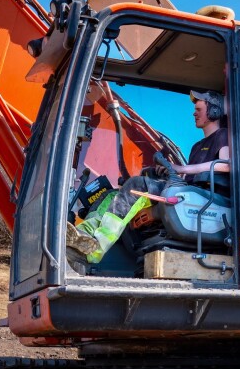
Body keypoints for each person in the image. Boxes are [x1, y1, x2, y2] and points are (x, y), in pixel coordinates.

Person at [68, 89, 230, 263]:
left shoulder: (223, 136)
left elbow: (226, 165)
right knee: (112, 195)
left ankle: (96, 248)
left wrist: (184, 168)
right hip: (188, 195)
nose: (193, 113)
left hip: (206, 199)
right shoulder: (197, 146)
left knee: (137, 186)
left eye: (198, 110)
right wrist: (170, 172)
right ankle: (83, 235)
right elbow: (185, 180)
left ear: (214, 111)